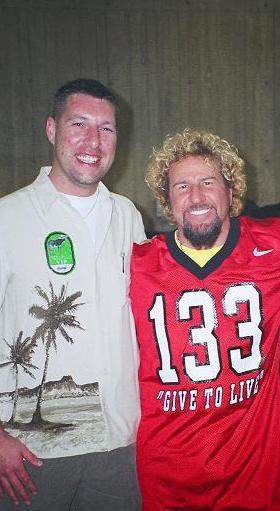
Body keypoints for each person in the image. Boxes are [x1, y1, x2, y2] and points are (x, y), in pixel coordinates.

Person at [0, 78, 145, 510]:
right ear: (51, 129)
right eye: (79, 124)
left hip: (120, 448)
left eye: (106, 128)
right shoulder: (9, 217)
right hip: (31, 456)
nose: (93, 141)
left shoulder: (127, 215)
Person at [130, 128, 280, 510]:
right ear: (167, 201)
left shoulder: (272, 248)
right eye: (181, 186)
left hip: (256, 481)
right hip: (168, 482)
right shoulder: (134, 265)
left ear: (231, 192)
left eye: (208, 182)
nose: (196, 196)